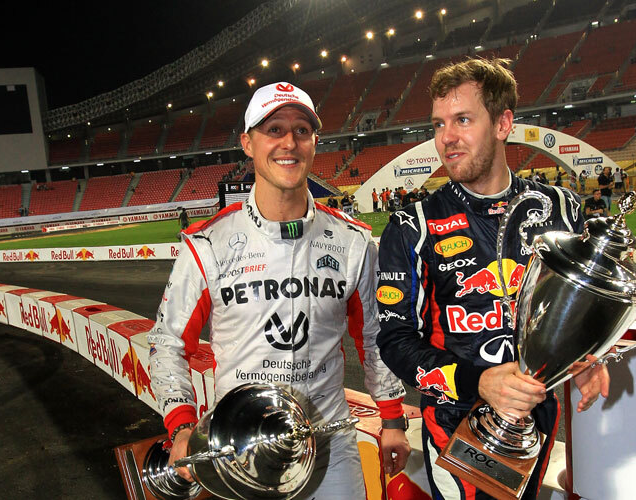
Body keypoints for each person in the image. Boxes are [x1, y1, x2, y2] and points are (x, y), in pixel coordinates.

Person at [149, 81, 410, 498]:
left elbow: (375, 337)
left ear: (314, 143)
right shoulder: (208, 244)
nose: (289, 142)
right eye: (274, 130)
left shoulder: (353, 241)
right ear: (247, 143)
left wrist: (392, 418)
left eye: (301, 131)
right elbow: (167, 342)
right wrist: (181, 425)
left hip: (328, 445)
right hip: (240, 448)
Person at [376, 58, 610, 500]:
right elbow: (394, 342)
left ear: (503, 123)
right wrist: (479, 382)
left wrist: (583, 360)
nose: (447, 137)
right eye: (439, 123)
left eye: (463, 120)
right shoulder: (413, 226)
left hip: (537, 417)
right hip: (454, 423)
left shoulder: (560, 208)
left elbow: (572, 312)